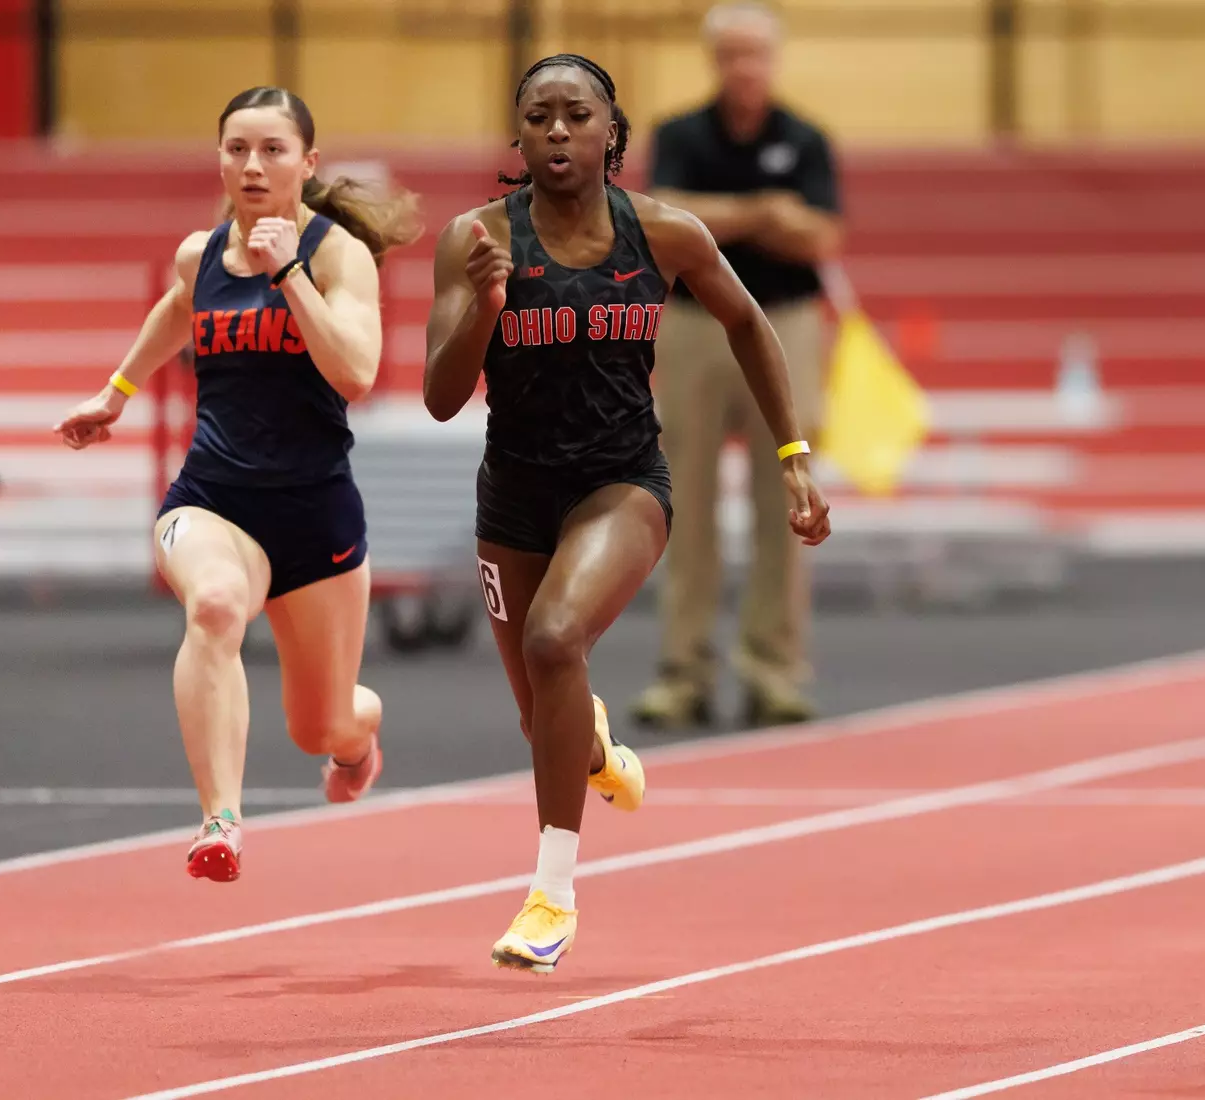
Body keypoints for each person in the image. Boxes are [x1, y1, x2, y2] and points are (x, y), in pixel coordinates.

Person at [422, 52, 831, 973]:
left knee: (555, 641)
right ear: (517, 135)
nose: (557, 133)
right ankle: (596, 750)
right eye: (538, 119)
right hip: (513, 497)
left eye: (576, 116)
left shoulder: (666, 234)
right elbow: (442, 398)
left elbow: (749, 323)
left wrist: (792, 457)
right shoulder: (475, 239)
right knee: (547, 720)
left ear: (614, 132)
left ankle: (549, 897)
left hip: (623, 485)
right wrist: (487, 302)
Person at [53, 86, 422, 883]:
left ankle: (360, 736)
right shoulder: (200, 253)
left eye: (272, 150)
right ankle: (221, 818)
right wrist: (113, 394)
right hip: (213, 498)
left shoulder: (337, 256)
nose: (252, 166)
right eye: (236, 150)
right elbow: (176, 307)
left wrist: (288, 270)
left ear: (307, 163)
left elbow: (355, 373)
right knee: (214, 606)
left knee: (321, 727)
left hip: (315, 516)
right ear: (220, 157)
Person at [631, 0, 843, 729]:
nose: (744, 67)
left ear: (771, 61)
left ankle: (774, 669)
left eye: (755, 54)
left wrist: (724, 219)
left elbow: (820, 236)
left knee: (788, 499)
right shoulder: (682, 135)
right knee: (682, 503)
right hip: (694, 329)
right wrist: (763, 212)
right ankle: (683, 672)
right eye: (731, 54)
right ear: (714, 60)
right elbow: (664, 218)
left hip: (785, 326)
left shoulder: (806, 138)